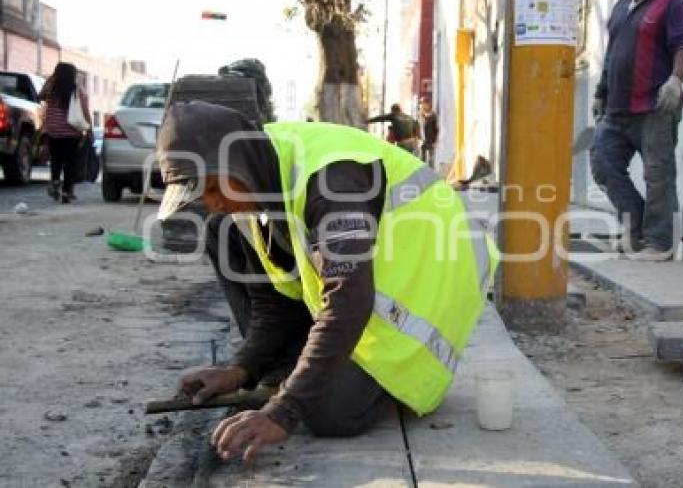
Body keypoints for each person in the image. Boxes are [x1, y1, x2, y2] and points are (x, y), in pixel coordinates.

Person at [156, 102, 497, 461]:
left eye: (213, 188)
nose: (214, 204)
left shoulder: (333, 181)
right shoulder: (260, 172)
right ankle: (288, 372)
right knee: (220, 232)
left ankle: (349, 382)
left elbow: (349, 302)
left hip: (427, 293)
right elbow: (275, 301)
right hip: (365, 291)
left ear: (236, 162)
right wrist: (242, 368)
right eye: (202, 197)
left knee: (327, 412)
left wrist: (286, 409)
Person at [590, 0, 683, 262]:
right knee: (603, 165)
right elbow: (613, 53)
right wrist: (601, 91)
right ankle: (637, 229)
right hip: (617, 109)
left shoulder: (673, 1)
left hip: (655, 108)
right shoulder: (622, 6)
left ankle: (660, 242)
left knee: (658, 174)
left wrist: (676, 80)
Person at [39, 62, 92, 203]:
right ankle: (67, 192)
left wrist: (50, 79)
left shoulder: (51, 89)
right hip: (71, 132)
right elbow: (85, 109)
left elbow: (40, 96)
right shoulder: (77, 89)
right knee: (70, 162)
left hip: (53, 131)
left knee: (55, 160)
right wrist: (89, 127)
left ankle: (55, 181)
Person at [417, 97, 439, 168]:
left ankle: (430, 175)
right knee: (421, 160)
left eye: (423, 103)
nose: (422, 105)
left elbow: (436, 129)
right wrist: (418, 138)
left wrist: (435, 141)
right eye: (421, 104)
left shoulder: (433, 115)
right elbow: (418, 127)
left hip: (430, 140)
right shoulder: (420, 115)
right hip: (422, 141)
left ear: (428, 104)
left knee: (430, 160)